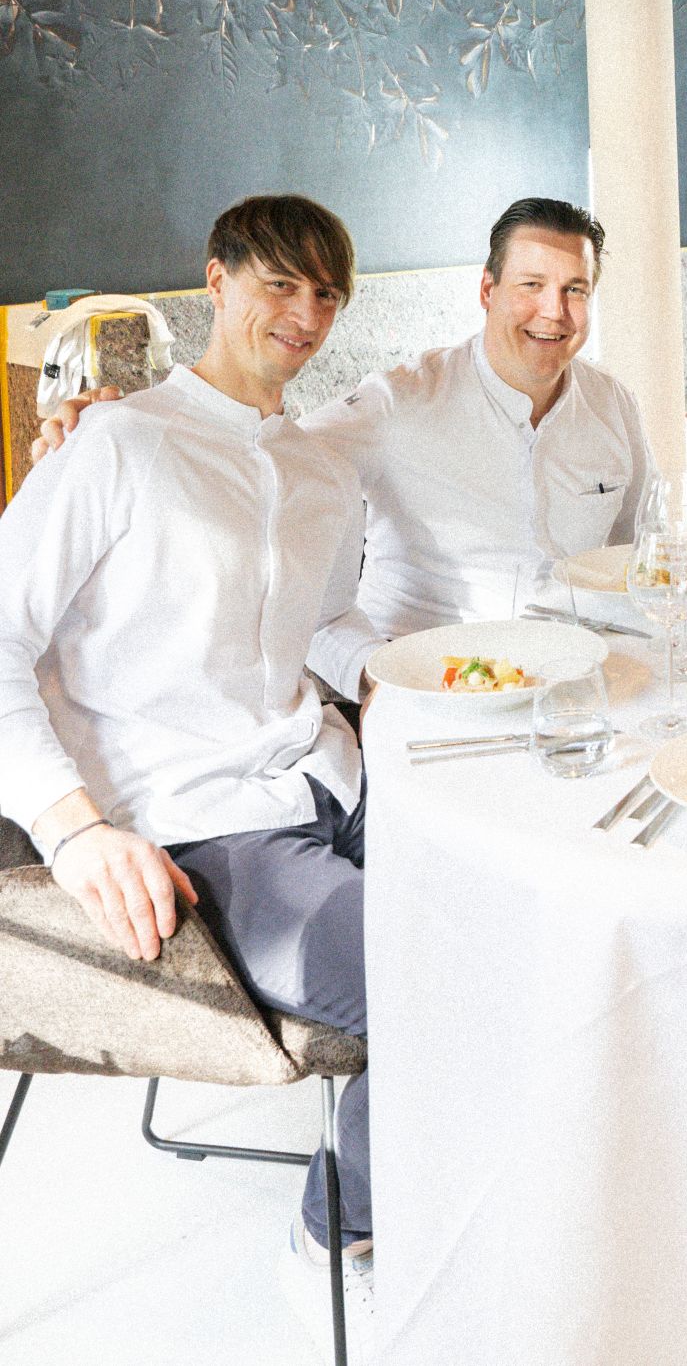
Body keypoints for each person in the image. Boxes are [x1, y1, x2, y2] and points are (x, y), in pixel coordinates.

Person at [0, 195, 384, 1357]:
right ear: (213, 282)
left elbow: (325, 625)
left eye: (326, 295)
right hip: (208, 822)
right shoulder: (118, 442)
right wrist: (72, 830)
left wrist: (394, 675)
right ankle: (341, 1229)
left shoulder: (320, 466)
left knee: (542, 899)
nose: (305, 314)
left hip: (339, 780)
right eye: (280, 283)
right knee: (439, 975)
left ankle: (472, 1172)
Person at [34, 197, 656, 665]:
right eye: (531, 286)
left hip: (578, 675)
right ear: (488, 290)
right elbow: (254, 448)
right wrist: (105, 423)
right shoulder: (398, 405)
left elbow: (639, 559)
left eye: (575, 289)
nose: (555, 312)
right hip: (428, 684)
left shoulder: (614, 407)